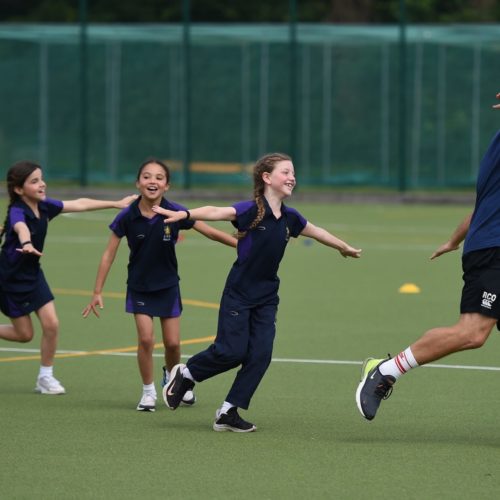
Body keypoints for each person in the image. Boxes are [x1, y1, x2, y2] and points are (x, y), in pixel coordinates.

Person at [153, 152, 362, 432]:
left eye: (293, 173)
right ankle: (187, 373)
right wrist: (187, 214)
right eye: (286, 172)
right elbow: (218, 212)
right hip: (239, 292)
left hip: (266, 297)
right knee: (231, 351)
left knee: (261, 355)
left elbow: (317, 231)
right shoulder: (251, 209)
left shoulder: (290, 217)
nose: (292, 177)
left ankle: (228, 411)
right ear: (267, 178)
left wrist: (342, 246)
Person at [356, 93, 500, 421]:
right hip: (494, 250)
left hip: (486, 243)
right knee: (473, 332)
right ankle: (386, 370)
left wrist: (453, 240)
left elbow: (481, 208)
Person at [82, 159, 237, 412]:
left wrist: (240, 246)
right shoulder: (127, 215)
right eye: (146, 176)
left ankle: (174, 381)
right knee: (145, 339)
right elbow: (109, 253)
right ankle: (148, 392)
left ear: (167, 185)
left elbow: (209, 231)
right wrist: (97, 290)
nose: (152, 181)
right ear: (138, 183)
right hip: (139, 286)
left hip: (167, 286)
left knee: (173, 344)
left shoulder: (175, 212)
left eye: (158, 177)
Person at [0, 160, 137, 395]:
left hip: (33, 275)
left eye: (41, 179)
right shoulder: (17, 211)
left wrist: (115, 203)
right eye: (34, 181)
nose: (42, 184)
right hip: (9, 280)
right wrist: (26, 243)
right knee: (24, 335)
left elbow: (80, 203)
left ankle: (45, 376)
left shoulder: (43, 206)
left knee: (52, 324)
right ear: (19, 190)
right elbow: (20, 227)